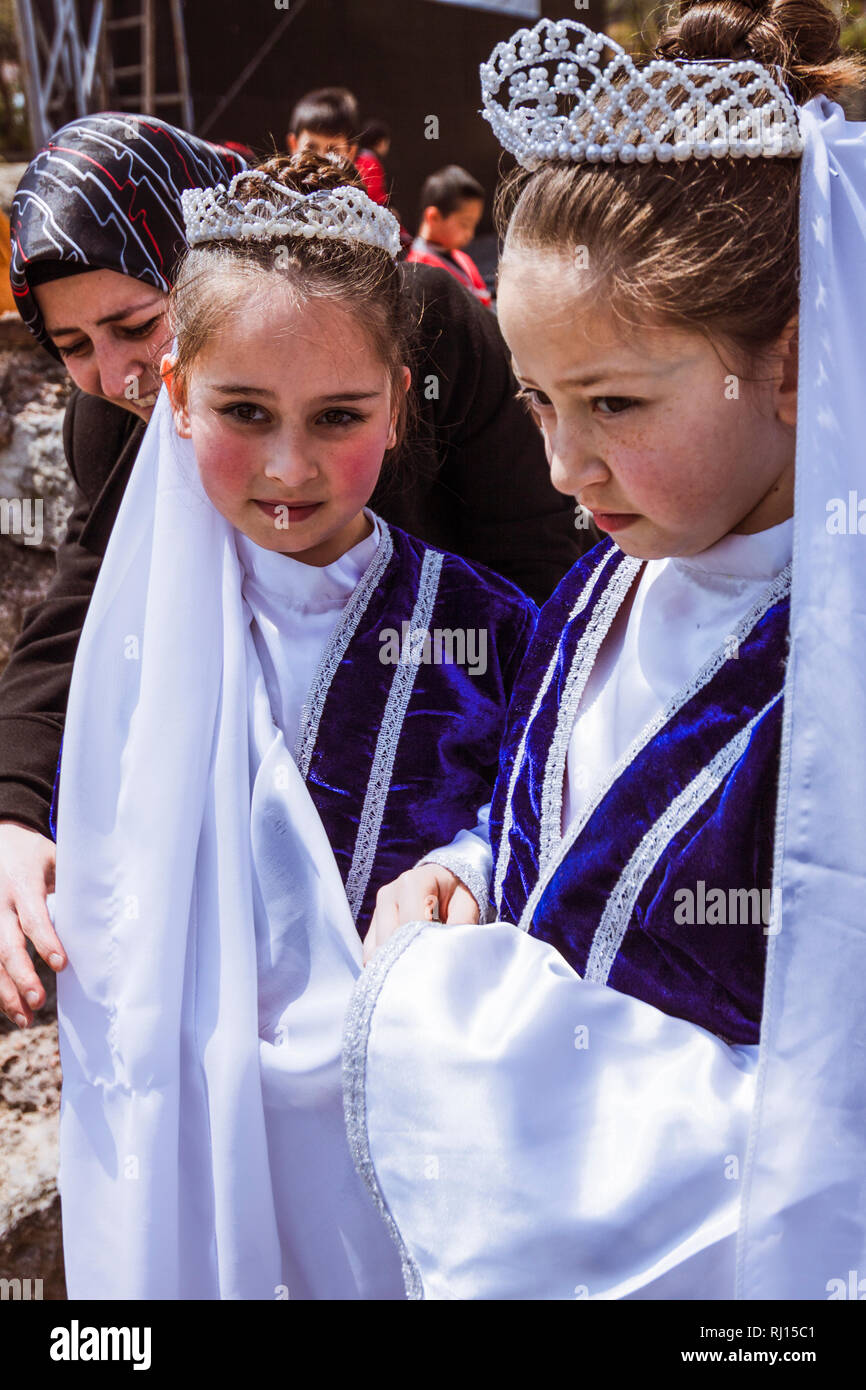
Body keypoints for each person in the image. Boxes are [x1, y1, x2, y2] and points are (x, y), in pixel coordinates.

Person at [347, 9, 866, 1300]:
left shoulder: (839, 666)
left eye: (615, 403)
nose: (563, 468)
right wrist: (464, 869)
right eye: (534, 401)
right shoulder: (599, 584)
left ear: (790, 362)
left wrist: (449, 1033)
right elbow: (560, 815)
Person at [48, 154, 536, 1299]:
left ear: (401, 401)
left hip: (399, 1158)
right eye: (242, 412)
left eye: (338, 417)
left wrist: (463, 866)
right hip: (194, 1149)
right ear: (173, 397)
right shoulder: (130, 652)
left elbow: (536, 819)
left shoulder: (488, 627)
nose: (287, 466)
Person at [0, 119, 590, 1037]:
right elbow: (86, 598)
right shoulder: (116, 415)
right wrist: (15, 805)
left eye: (128, 325)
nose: (116, 377)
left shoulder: (429, 330)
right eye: (71, 345)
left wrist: (480, 833)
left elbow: (539, 571)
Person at [407, 165, 492, 309]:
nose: (470, 233)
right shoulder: (418, 271)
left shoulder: (463, 258)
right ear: (433, 217)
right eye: (464, 224)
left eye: (474, 225)